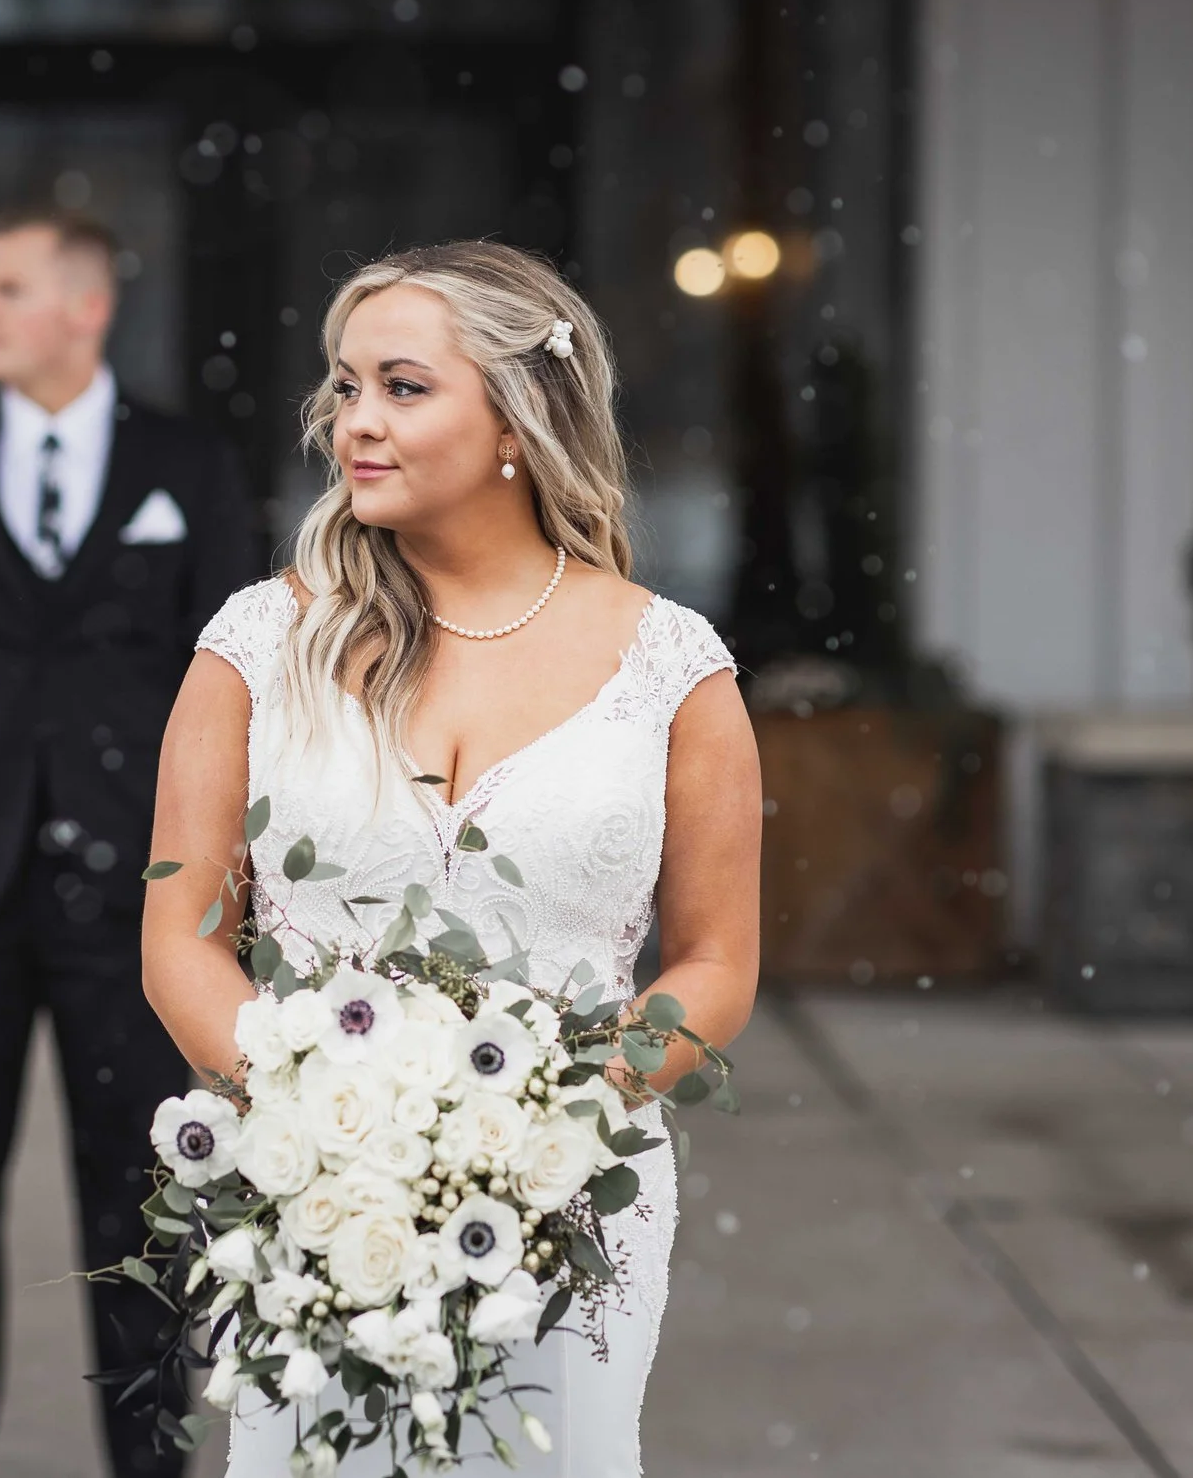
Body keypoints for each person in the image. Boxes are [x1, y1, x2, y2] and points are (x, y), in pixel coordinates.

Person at [139, 241, 764, 1476]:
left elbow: (714, 957)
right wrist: (312, 1128)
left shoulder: (671, 669)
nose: (354, 422)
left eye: (402, 387)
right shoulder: (258, 644)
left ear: (517, 424)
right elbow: (180, 933)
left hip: (576, 1199)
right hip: (316, 1205)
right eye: (345, 385)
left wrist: (557, 1118)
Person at [0, 205, 258, 1478]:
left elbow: (234, 679)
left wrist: (221, 872)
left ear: (89, 306)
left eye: (11, 287)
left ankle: (148, 1461)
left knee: (138, 1208)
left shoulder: (188, 466)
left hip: (136, 903)